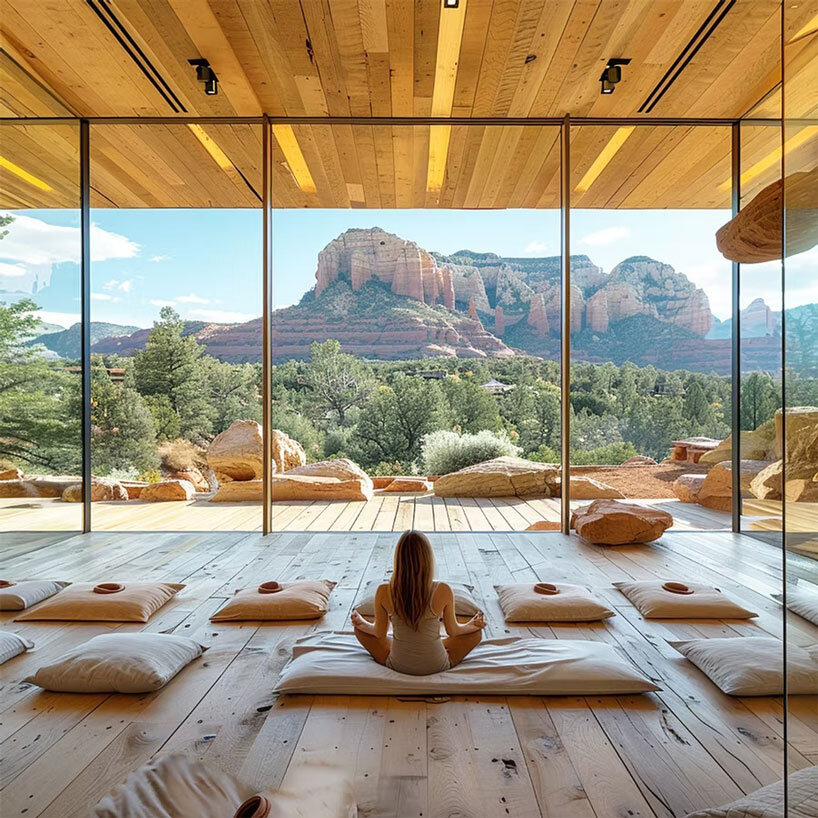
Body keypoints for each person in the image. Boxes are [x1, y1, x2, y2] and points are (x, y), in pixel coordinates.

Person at [350, 530, 485, 675]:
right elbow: (453, 631)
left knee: (361, 632)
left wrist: (361, 624)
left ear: (398, 559)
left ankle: (410, 651)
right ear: (428, 559)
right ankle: (432, 649)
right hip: (438, 665)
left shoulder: (384, 591)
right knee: (476, 635)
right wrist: (472, 626)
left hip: (398, 665)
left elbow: (379, 633)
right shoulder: (443, 590)